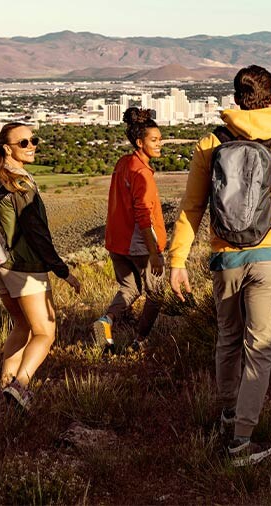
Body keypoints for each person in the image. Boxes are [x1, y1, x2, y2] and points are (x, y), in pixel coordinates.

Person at [169, 65, 271, 466]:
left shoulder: (211, 142)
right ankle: (241, 442)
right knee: (259, 349)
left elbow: (192, 207)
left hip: (225, 258)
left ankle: (228, 415)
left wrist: (178, 260)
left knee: (228, 338)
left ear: (236, 99)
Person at [0, 122, 81, 410]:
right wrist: (62, 270)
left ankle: (5, 387)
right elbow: (37, 234)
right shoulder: (19, 184)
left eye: (33, 140)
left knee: (21, 325)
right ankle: (19, 387)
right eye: (23, 142)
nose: (31, 145)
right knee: (45, 332)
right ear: (7, 148)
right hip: (24, 267)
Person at [93, 108, 167, 353]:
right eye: (154, 140)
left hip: (117, 242)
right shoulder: (141, 173)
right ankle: (140, 342)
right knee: (156, 294)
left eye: (160, 139)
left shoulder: (123, 163)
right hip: (140, 245)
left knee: (130, 288)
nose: (160, 144)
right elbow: (143, 216)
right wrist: (154, 252)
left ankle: (106, 321)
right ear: (139, 142)